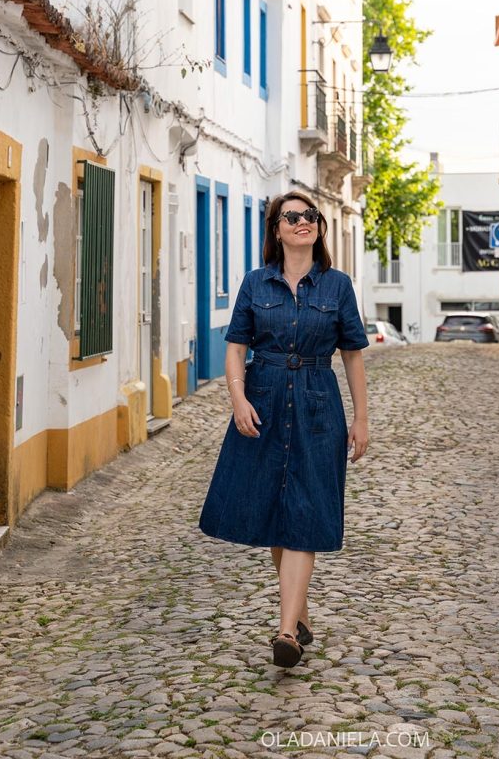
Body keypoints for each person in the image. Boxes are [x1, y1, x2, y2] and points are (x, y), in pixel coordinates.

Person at [198, 191, 370, 669]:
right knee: (277, 509)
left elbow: (352, 354)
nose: (302, 222)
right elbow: (235, 348)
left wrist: (362, 417)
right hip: (265, 400)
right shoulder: (256, 283)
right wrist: (238, 399)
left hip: (318, 404)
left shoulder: (338, 286)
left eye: (310, 216)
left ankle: (287, 631)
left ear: (319, 227)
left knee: (305, 512)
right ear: (276, 229)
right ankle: (300, 611)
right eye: (292, 217)